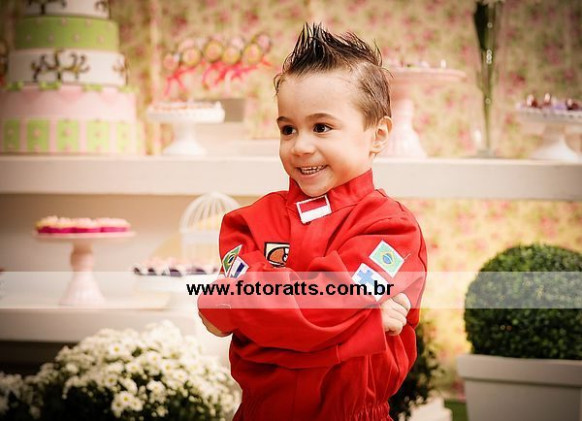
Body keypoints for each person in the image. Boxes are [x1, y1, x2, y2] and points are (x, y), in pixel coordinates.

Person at [198, 23, 427, 421]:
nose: (300, 146)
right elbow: (217, 309)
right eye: (288, 129)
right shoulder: (247, 223)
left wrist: (244, 308)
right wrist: (362, 327)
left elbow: (242, 306)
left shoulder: (392, 229)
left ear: (378, 135)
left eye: (322, 127)